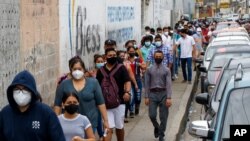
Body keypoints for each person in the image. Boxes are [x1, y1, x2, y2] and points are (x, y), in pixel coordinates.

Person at [0, 70, 65, 141]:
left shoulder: (46, 114)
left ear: (32, 92)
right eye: (17, 89)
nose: (20, 92)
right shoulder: (5, 114)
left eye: (25, 89)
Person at [54, 56, 109, 134]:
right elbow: (57, 105)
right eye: (74, 69)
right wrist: (56, 122)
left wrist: (105, 121)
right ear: (71, 70)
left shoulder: (93, 83)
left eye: (79, 69)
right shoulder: (64, 84)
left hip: (90, 122)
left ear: (83, 69)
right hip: (69, 123)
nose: (77, 71)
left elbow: (101, 103)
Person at [96, 48, 131, 141]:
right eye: (110, 55)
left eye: (114, 55)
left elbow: (127, 81)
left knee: (119, 127)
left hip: (120, 102)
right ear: (105, 57)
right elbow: (97, 87)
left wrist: (127, 92)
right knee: (108, 128)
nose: (112, 57)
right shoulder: (100, 71)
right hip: (105, 104)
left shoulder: (121, 68)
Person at [145, 50, 172, 141]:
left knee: (164, 116)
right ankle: (156, 126)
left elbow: (168, 84)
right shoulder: (149, 69)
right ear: (154, 57)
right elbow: (147, 84)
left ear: (163, 57)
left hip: (163, 94)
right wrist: (146, 97)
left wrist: (169, 97)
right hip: (152, 94)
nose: (158, 58)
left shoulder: (167, 70)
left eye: (160, 56)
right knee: (152, 115)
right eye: (156, 56)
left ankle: (161, 135)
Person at [117, 50, 137, 122]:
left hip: (125, 87)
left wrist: (135, 84)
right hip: (116, 88)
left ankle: (124, 115)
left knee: (126, 100)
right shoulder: (113, 65)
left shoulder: (126, 65)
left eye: (123, 56)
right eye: (120, 56)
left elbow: (130, 76)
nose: (122, 57)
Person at [127, 46, 146, 116]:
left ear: (135, 51)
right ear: (128, 52)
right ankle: (131, 110)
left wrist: (141, 65)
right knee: (131, 96)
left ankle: (137, 107)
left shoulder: (138, 59)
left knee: (138, 96)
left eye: (133, 51)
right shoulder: (126, 60)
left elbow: (144, 67)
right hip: (129, 80)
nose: (131, 52)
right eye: (130, 51)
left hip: (138, 79)